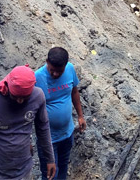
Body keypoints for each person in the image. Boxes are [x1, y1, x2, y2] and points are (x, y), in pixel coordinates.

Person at [0, 65, 56, 180]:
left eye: (25, 97)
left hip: (23, 173)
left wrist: (50, 159)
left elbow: (43, 129)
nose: (20, 101)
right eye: (16, 96)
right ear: (8, 85)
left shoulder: (38, 96)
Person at [35, 47, 86, 180]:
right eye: (52, 70)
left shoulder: (70, 69)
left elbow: (74, 92)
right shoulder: (37, 77)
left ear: (65, 65)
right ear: (47, 62)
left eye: (59, 71)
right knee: (50, 175)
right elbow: (30, 109)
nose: (56, 74)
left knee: (63, 170)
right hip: (48, 140)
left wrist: (80, 116)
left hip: (67, 134)